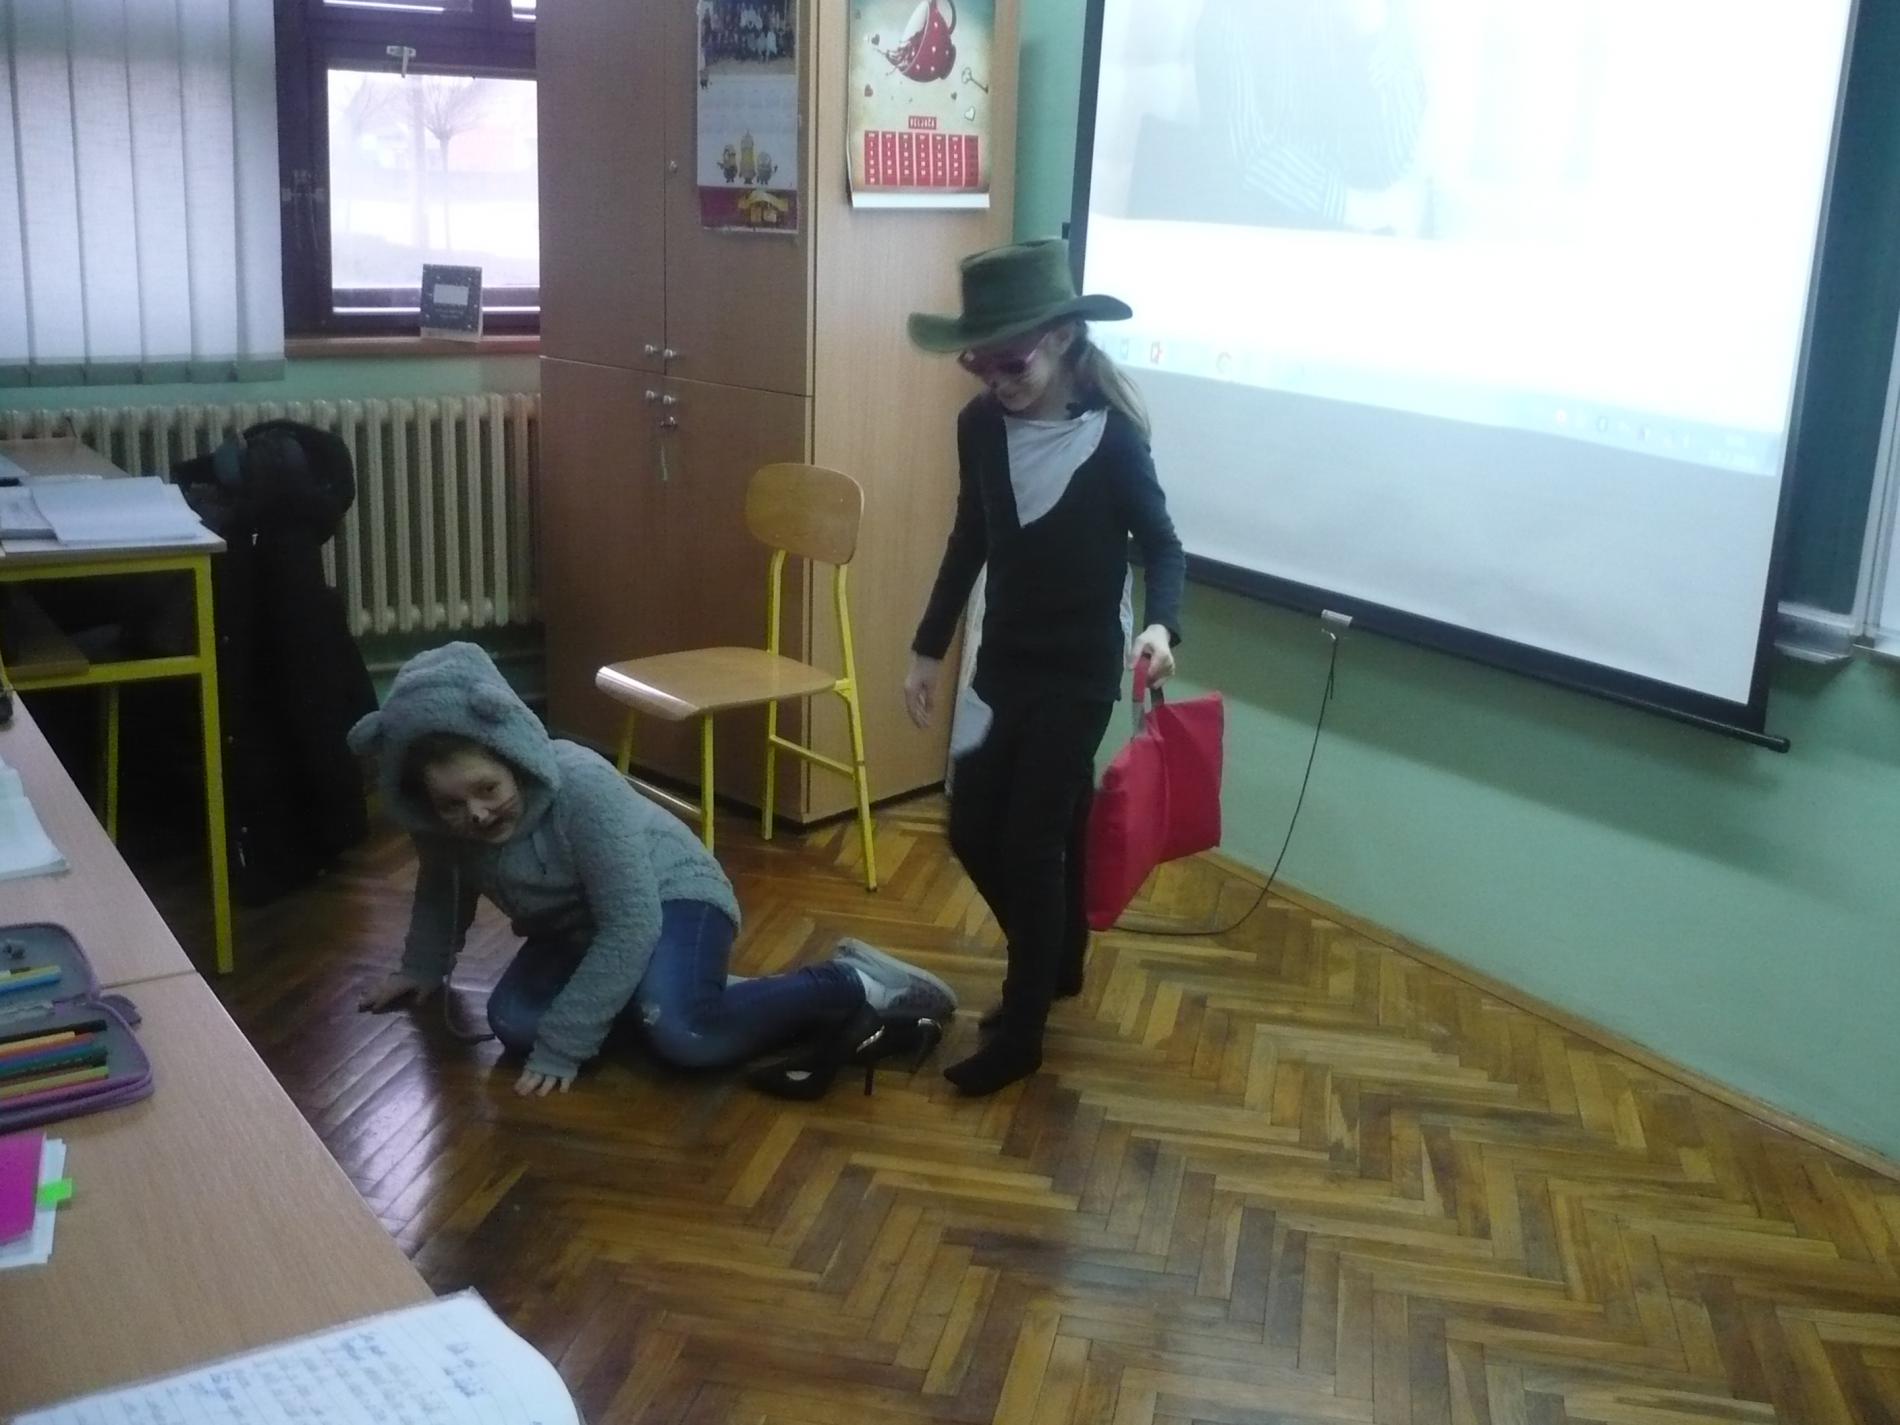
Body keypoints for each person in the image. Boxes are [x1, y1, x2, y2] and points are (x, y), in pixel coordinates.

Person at [352, 642, 955, 1099]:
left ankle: (852, 981)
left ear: (515, 756)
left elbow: (632, 922)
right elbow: (442, 888)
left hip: (670, 899)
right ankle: (683, 994)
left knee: (687, 1038)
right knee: (513, 1022)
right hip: (576, 928)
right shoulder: (444, 821)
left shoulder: (580, 786)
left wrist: (567, 1044)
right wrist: (421, 967)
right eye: (451, 804)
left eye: (487, 788)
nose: (477, 815)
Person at [903, 239, 1186, 1096]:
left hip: (1080, 672)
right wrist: (927, 647)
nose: (996, 380)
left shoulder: (1113, 438)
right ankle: (1056, 951)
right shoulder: (979, 427)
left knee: (1029, 842)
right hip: (1004, 662)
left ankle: (1023, 1025)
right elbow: (971, 537)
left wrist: (1162, 626)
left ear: (1061, 338)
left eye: (1012, 361)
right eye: (979, 363)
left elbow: (1163, 544)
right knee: (971, 828)